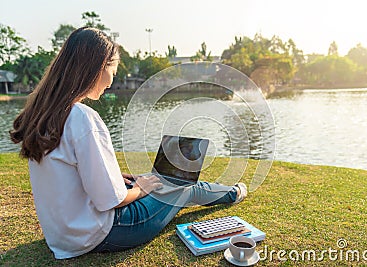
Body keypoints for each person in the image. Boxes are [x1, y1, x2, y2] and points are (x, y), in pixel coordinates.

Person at [10, 27, 247, 260]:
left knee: (154, 180)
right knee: (182, 186)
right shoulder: (82, 117)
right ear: (98, 67)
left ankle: (221, 191)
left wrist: (120, 178)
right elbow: (109, 200)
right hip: (102, 232)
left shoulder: (45, 114)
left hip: (62, 235)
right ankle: (234, 193)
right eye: (113, 69)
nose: (112, 80)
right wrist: (141, 188)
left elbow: (71, 173)